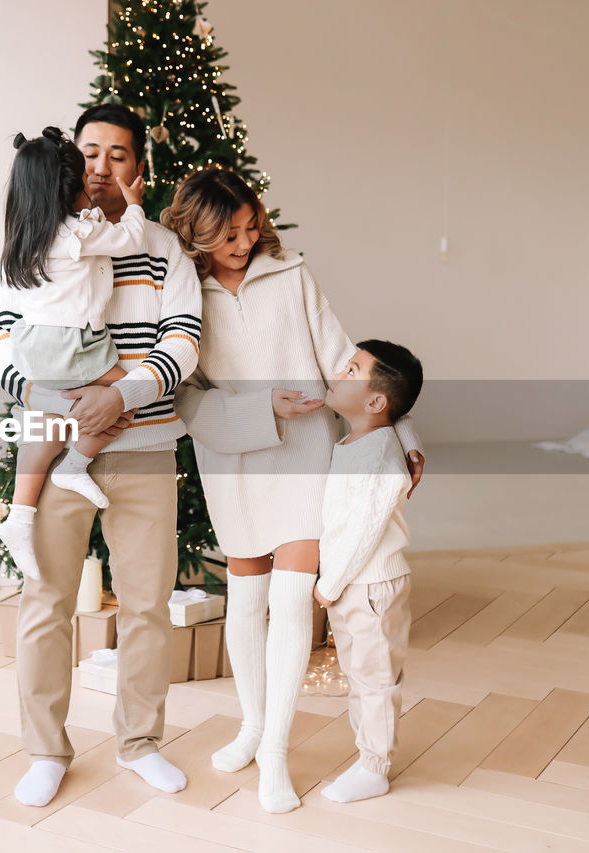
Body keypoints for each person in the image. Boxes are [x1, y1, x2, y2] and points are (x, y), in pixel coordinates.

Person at [161, 168, 424, 813]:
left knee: (291, 597)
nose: (245, 242)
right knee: (245, 599)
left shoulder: (291, 275)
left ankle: (276, 753)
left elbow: (349, 359)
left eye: (252, 227)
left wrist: (405, 431)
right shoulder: (180, 290)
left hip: (306, 452)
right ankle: (252, 725)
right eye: (230, 234)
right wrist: (261, 410)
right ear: (197, 231)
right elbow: (184, 398)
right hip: (232, 457)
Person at [0, 104, 202, 807]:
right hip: (55, 444)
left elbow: (186, 340)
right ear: (73, 163)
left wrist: (122, 398)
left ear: (140, 167)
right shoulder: (32, 242)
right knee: (45, 602)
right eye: (91, 152)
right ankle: (46, 749)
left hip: (143, 447)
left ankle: (140, 743)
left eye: (119, 155)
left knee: (147, 604)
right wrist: (52, 398)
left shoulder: (161, 247)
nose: (103, 166)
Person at [0, 126, 148, 580]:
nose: (92, 186)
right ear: (67, 192)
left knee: (48, 427)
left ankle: (20, 516)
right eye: (83, 182)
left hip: (35, 347)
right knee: (129, 395)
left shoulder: (25, 238)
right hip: (74, 345)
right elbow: (130, 240)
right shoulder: (76, 234)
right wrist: (134, 203)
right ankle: (75, 465)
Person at [313, 340, 423, 804]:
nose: (341, 370)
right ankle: (367, 757)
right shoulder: (358, 438)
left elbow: (364, 530)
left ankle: (375, 767)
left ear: (376, 402)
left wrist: (330, 582)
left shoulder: (379, 457)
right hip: (354, 582)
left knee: (375, 678)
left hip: (371, 583)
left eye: (353, 369)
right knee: (360, 675)